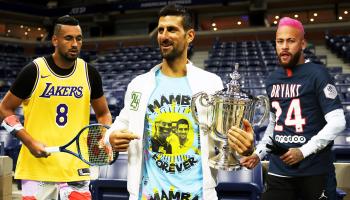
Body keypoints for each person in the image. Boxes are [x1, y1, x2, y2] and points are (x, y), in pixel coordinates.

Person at [103, 4, 254, 200]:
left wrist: (245, 147)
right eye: (161, 30)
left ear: (190, 36)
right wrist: (111, 137)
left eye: (172, 29)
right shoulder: (138, 85)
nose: (164, 36)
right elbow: (121, 123)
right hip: (147, 195)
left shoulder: (210, 83)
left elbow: (222, 139)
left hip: (198, 195)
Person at [0, 15, 112, 200]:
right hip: (37, 167)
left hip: (76, 166)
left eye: (79, 38)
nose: (75, 44)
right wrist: (28, 141)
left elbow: (103, 113)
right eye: (68, 38)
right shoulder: (34, 71)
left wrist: (101, 136)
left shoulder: (90, 73)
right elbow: (4, 109)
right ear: (55, 40)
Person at [239, 17, 346, 200]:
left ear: (303, 43)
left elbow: (338, 122)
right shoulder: (272, 79)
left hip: (314, 171)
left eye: (291, 40)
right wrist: (258, 154)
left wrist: (303, 151)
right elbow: (274, 125)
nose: (284, 46)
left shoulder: (318, 74)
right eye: (280, 41)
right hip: (278, 171)